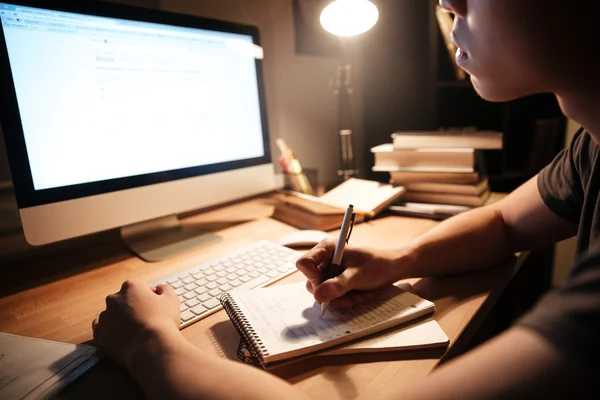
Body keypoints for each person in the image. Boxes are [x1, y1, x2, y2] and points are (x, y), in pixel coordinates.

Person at [92, 0, 600, 398]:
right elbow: (506, 223)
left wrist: (148, 344)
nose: (448, 2)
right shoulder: (590, 147)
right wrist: (398, 259)